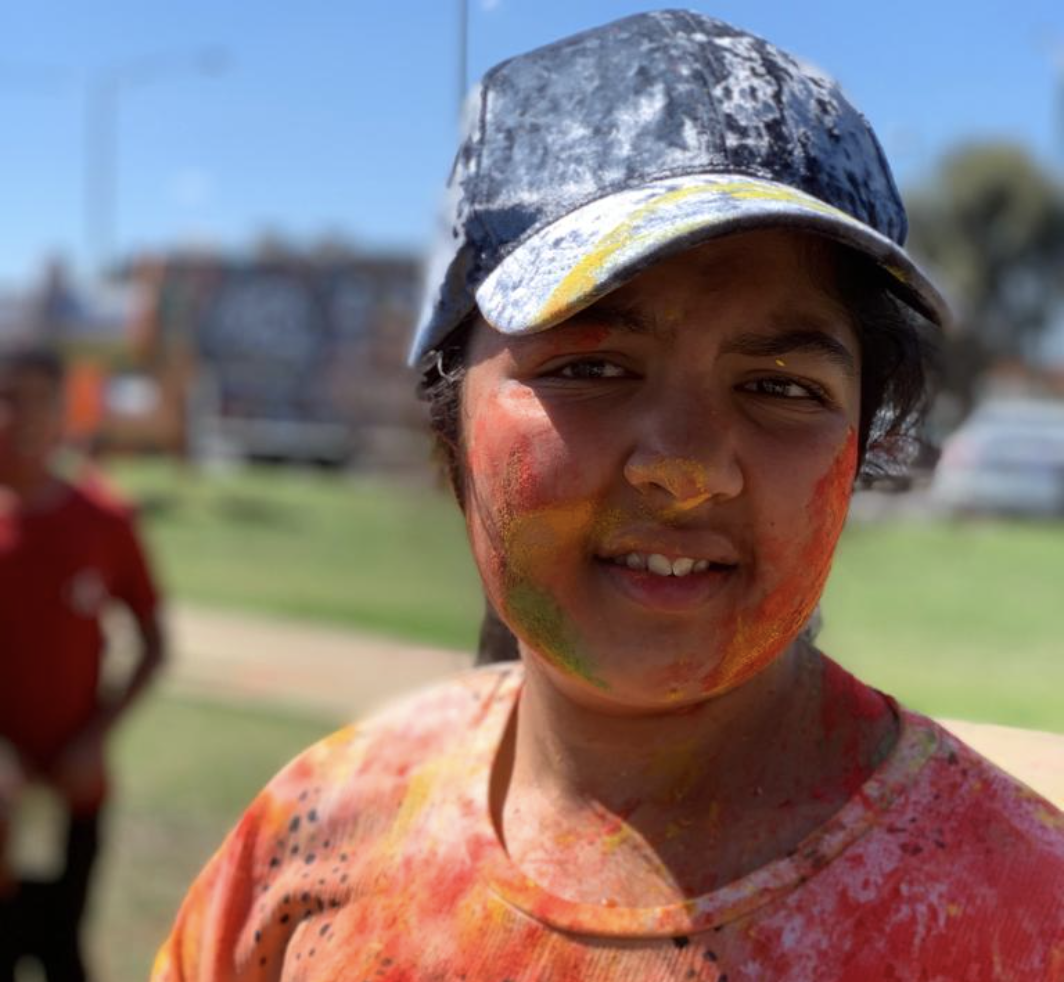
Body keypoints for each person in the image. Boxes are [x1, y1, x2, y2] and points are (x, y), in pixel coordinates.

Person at [153, 11, 1064, 980]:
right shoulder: (315, 837)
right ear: (445, 415)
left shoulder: (1018, 914)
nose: (685, 465)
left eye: (781, 388)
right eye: (591, 365)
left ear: (857, 447)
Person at [0, 346, 166, 982]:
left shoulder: (102, 520)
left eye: (36, 400)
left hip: (73, 791)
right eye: (7, 397)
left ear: (60, 411)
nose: (18, 417)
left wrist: (94, 740)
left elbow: (153, 640)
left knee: (60, 948)